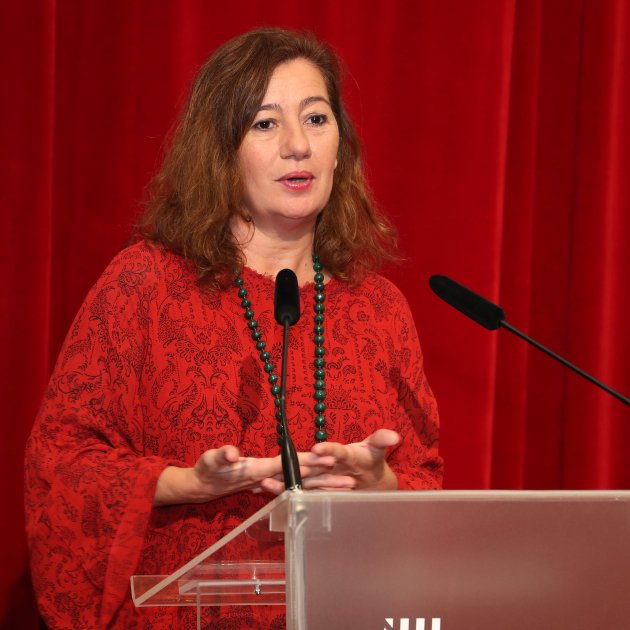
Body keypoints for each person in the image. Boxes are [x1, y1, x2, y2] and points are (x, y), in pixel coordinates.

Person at [25, 27, 443, 629]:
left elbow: (428, 484)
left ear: (340, 147)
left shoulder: (379, 309)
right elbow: (62, 465)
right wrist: (184, 483)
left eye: (316, 119)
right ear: (221, 152)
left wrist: (382, 485)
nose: (298, 145)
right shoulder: (146, 285)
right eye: (265, 124)